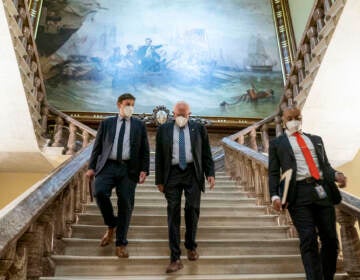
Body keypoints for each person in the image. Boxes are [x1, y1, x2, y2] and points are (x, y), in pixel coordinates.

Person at [269, 106, 347, 280]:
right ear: (283, 120)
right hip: (298, 194)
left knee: (331, 241)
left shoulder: (316, 140)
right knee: (308, 239)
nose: (294, 121)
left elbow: (325, 167)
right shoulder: (277, 143)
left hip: (321, 191)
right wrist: (275, 195)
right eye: (290, 118)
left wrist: (336, 175)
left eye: (297, 117)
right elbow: (274, 172)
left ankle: (327, 276)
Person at [86, 93, 150, 258]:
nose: (130, 107)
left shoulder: (139, 125)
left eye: (133, 105)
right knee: (99, 192)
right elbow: (98, 146)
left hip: (129, 169)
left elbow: (144, 149)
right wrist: (91, 167)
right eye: (127, 104)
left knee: (125, 204)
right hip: (107, 166)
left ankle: (121, 243)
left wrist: (144, 170)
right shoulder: (107, 123)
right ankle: (111, 225)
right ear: (119, 105)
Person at [155, 101, 215, 273]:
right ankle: (175, 258)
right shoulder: (164, 130)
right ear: (173, 114)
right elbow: (159, 157)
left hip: (192, 173)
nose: (180, 117)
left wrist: (210, 174)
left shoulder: (199, 129)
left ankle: (191, 245)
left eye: (184, 114)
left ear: (189, 114)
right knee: (173, 212)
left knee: (192, 209)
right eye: (177, 114)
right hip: (172, 174)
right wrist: (159, 180)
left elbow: (206, 154)